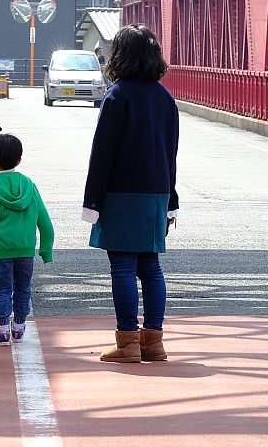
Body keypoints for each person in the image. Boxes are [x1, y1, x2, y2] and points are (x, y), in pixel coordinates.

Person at [81, 23, 180, 364]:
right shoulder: (166, 99)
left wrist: (92, 201)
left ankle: (127, 342)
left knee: (122, 267)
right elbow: (171, 154)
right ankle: (153, 341)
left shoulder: (117, 96)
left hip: (121, 193)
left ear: (119, 56)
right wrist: (171, 202)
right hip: (156, 193)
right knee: (150, 267)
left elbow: (102, 154)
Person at [0, 132, 54, 346]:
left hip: (2, 254)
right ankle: (18, 327)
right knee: (23, 288)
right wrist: (46, 249)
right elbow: (45, 222)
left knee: (1, 289)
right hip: (26, 252)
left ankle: (2, 330)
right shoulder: (29, 185)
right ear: (19, 160)